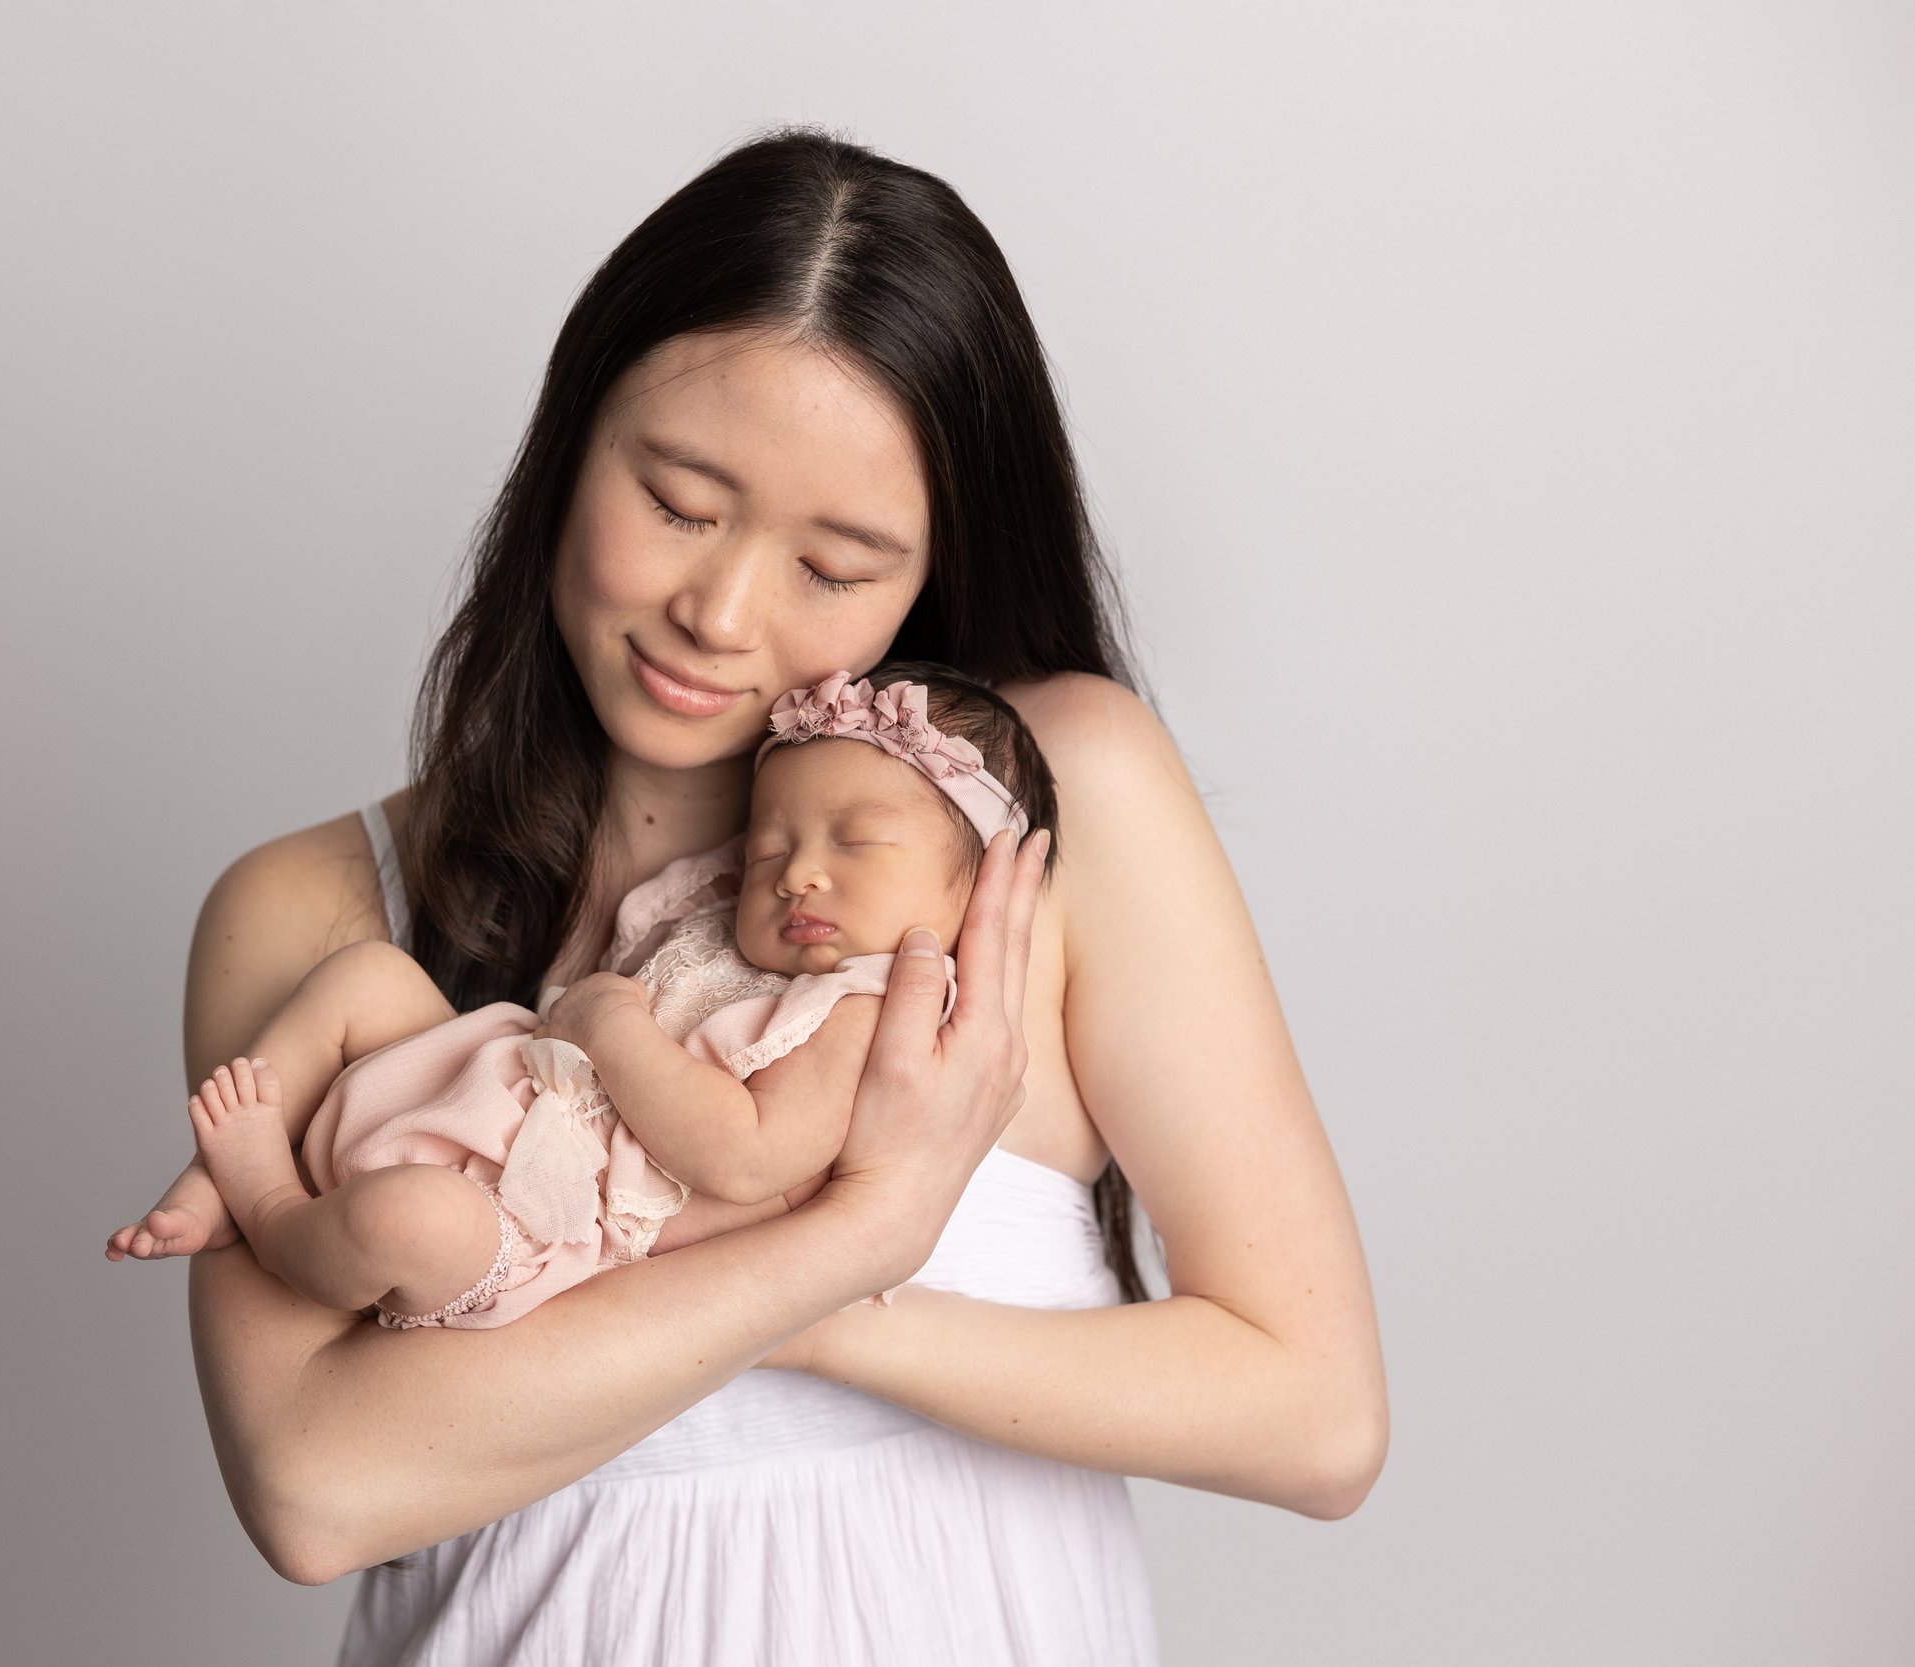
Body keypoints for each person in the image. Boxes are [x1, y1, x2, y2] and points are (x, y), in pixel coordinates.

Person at [157, 129, 1388, 1663]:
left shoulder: (1048, 813)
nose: (721, 612)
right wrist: (850, 1234)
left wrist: (821, 1330)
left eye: (837, 562)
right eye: (678, 500)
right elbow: (316, 1483)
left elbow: (1314, 1409)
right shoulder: (321, 906)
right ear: (568, 441)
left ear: (931, 572)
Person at [133, 667, 1051, 1334]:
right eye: (771, 845)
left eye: (854, 843)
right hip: (502, 1070)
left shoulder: (865, 1013)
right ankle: (209, 1176)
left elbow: (746, 1152)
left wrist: (614, 1027)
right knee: (363, 976)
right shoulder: (735, 932)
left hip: (546, 1217)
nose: (798, 873)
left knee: (403, 1218)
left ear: (973, 894)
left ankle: (267, 1202)